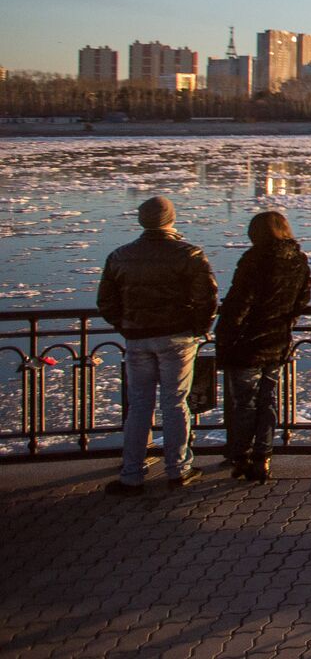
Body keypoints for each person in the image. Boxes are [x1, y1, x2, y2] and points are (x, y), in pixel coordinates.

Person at [97, 196, 218, 494]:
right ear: (171, 218)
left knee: (139, 405)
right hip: (177, 338)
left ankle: (132, 474)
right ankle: (178, 469)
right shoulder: (188, 254)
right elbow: (207, 298)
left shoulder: (120, 256)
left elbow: (106, 301)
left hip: (137, 338)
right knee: (175, 403)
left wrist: (126, 325)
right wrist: (199, 328)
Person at [215, 210, 311, 481]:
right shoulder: (298, 260)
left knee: (245, 402)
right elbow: (301, 300)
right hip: (277, 341)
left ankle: (241, 456)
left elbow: (239, 302)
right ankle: (263, 455)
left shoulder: (254, 259)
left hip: (247, 344)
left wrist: (225, 336)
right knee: (267, 400)